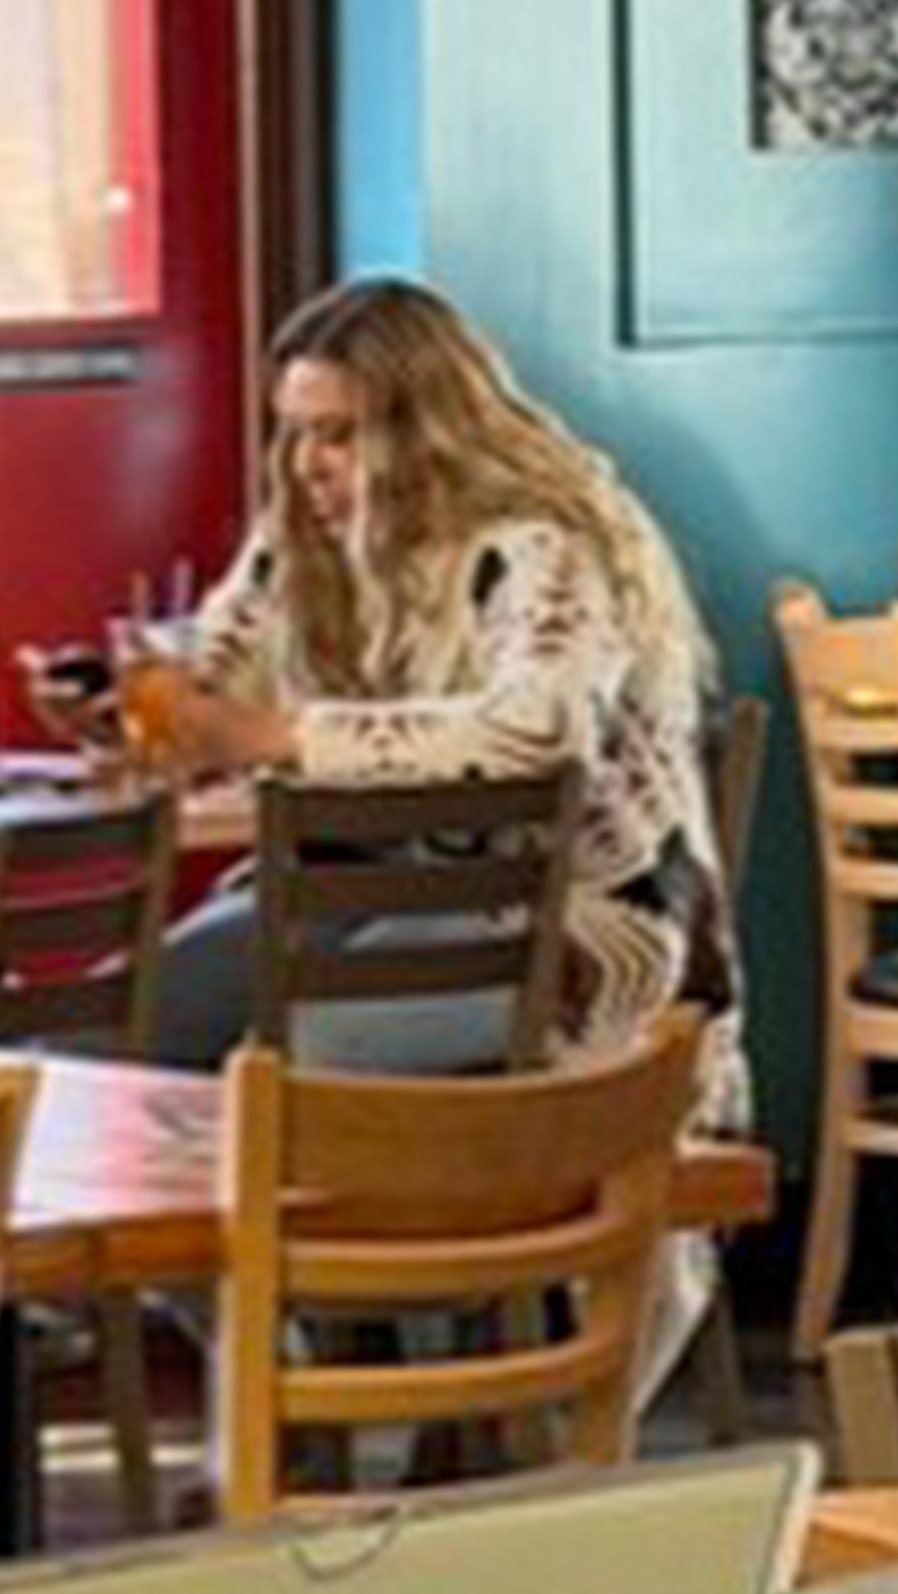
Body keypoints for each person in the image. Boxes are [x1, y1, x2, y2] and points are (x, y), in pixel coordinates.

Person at [132, 273, 739, 1104]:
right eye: (296, 432)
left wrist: (280, 735)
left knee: (287, 1064)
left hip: (571, 917)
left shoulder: (544, 543)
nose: (306, 463)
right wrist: (135, 711)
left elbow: (539, 728)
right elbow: (212, 673)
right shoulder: (304, 538)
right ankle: (223, 1233)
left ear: (425, 435)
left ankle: (322, 1231)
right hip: (362, 889)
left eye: (339, 435)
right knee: (136, 1019)